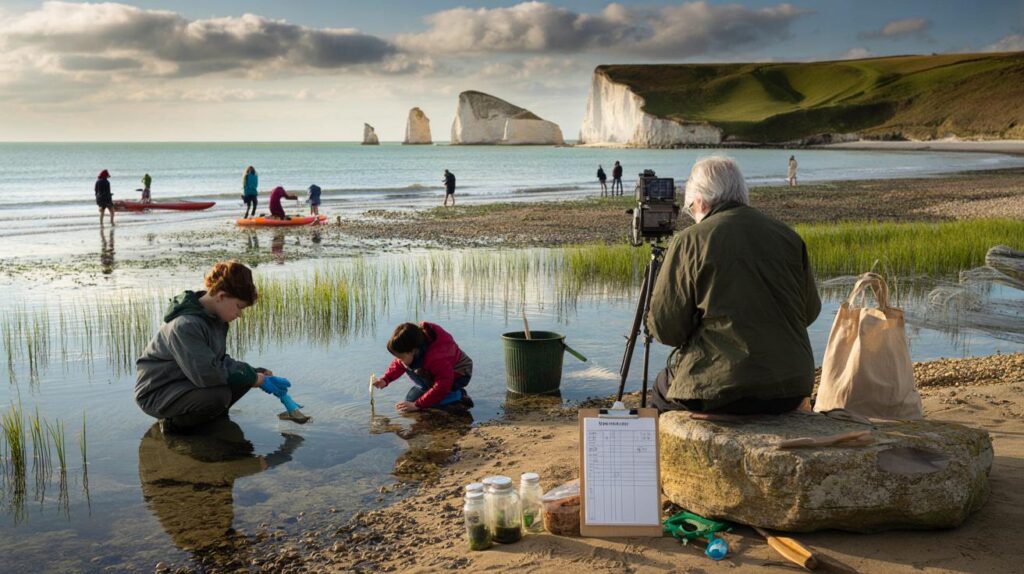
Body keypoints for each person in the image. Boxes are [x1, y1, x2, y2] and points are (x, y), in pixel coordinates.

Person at [647, 156, 821, 415]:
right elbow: (809, 312)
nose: (692, 214)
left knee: (662, 387)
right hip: (791, 386)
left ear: (701, 201)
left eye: (690, 208)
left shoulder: (690, 241)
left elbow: (665, 329)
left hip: (721, 389)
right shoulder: (788, 237)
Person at [134, 261, 293, 433]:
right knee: (220, 394)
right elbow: (208, 375)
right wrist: (252, 377)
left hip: (185, 383)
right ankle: (174, 426)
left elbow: (219, 361)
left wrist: (255, 372)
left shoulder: (215, 319)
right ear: (221, 296)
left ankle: (210, 420)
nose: (240, 314)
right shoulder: (186, 325)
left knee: (245, 378)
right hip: (158, 394)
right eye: (239, 307)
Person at [372, 321, 474, 413]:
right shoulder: (413, 351)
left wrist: (417, 405)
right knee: (410, 400)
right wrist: (385, 380)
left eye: (401, 357)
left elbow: (443, 385)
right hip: (439, 373)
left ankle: (458, 396)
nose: (399, 360)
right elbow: (398, 364)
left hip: (459, 373)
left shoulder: (436, 357)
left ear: (413, 351)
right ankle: (427, 389)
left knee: (433, 404)